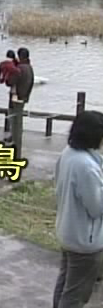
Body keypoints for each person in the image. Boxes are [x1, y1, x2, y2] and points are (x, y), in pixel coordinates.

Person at [53, 110, 103, 308]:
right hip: (85, 240)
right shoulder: (86, 167)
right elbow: (96, 208)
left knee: (65, 284)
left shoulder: (68, 154)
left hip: (68, 231)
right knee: (76, 294)